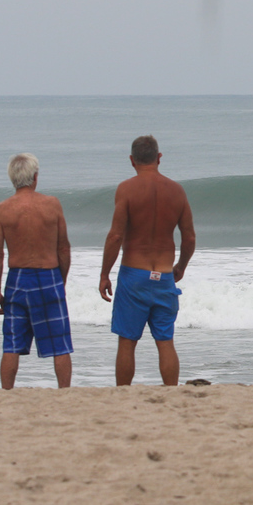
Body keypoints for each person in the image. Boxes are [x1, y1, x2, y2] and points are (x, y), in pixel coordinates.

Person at [100, 135, 195, 386]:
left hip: (134, 276)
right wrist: (181, 267)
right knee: (165, 341)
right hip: (163, 276)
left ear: (132, 160)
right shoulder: (177, 191)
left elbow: (116, 236)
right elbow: (189, 238)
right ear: (159, 158)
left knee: (127, 342)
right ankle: (171, 392)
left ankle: (123, 394)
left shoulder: (127, 189)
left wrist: (104, 274)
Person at [0, 153, 73, 389]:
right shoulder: (52, 204)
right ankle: (64, 392)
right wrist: (61, 281)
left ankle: (7, 392)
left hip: (17, 278)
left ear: (12, 179)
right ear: (35, 177)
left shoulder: (1, 210)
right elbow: (63, 248)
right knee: (60, 343)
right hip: (48, 275)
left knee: (12, 343)